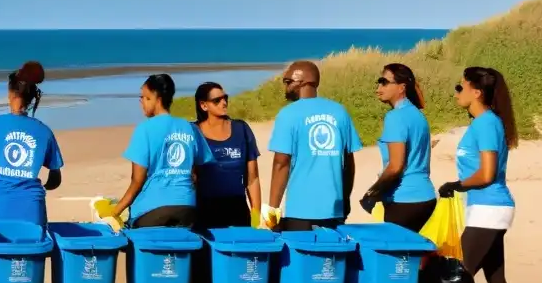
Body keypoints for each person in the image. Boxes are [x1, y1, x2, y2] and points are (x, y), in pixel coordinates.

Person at [430, 67, 519, 283]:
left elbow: (488, 173)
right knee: (496, 278)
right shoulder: (484, 123)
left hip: (490, 208)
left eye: (461, 87)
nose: (457, 92)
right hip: (488, 208)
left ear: (476, 92)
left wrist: (456, 184)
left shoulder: (486, 124)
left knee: (458, 276)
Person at [265, 61, 362, 231]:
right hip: (334, 209)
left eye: (288, 82)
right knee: (331, 257)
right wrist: (345, 199)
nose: (286, 87)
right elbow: (348, 164)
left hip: (300, 211)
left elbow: (281, 162)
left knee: (303, 256)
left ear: (305, 81)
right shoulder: (340, 112)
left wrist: (273, 210)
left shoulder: (288, 114)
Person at [0, 62, 63, 225]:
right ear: (32, 97)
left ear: (10, 93)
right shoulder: (44, 131)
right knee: (32, 249)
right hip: (32, 209)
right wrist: (36, 187)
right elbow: (55, 178)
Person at [112, 74, 213, 228]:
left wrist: (114, 212)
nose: (142, 103)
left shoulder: (144, 129)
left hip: (152, 209)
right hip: (187, 207)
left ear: (157, 99)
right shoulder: (189, 127)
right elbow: (197, 172)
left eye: (145, 98)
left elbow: (137, 181)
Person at [362, 63, 437, 232]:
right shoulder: (418, 115)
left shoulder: (396, 117)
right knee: (410, 254)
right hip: (425, 196)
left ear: (401, 87)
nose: (379, 87)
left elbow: (395, 166)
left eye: (384, 82)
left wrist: (372, 193)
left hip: (405, 199)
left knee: (395, 257)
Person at [192, 82, 261, 229]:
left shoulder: (241, 129)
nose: (223, 103)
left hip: (238, 211)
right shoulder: (193, 132)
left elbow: (252, 178)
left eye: (225, 98)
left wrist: (256, 216)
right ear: (204, 105)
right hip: (205, 212)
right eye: (217, 100)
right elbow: (190, 178)